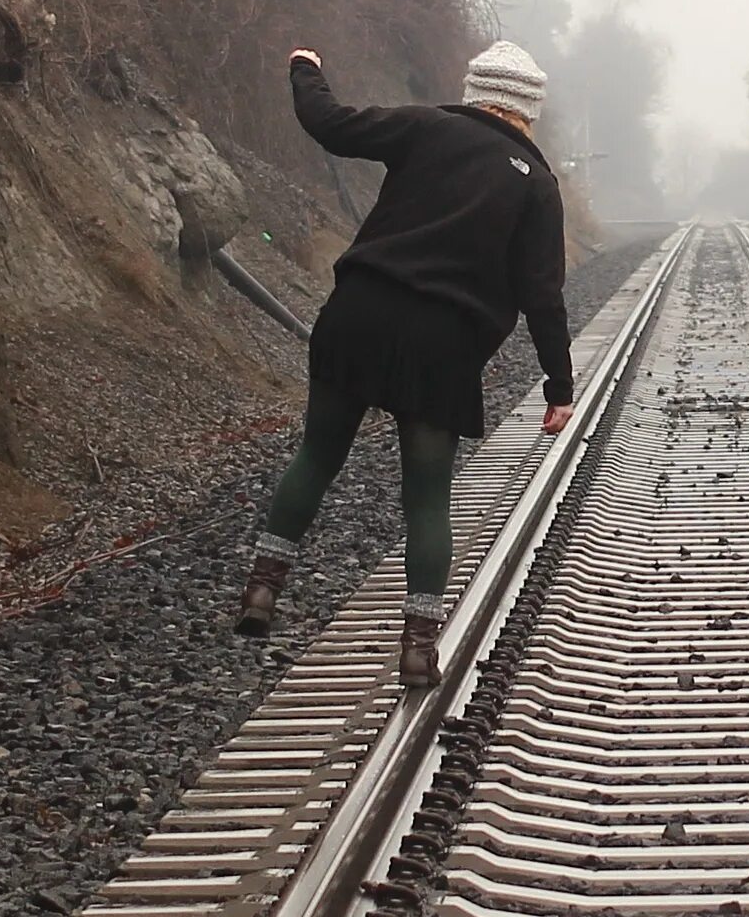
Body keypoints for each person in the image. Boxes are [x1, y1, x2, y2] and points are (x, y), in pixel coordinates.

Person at [234, 41, 576, 689]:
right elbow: (542, 295)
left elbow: (330, 125)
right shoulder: (535, 183)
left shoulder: (426, 128)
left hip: (360, 313)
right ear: (528, 110)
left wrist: (306, 67)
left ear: (476, 91)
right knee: (426, 497)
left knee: (318, 455)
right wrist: (558, 386)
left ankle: (262, 589)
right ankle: (418, 646)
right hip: (442, 344)